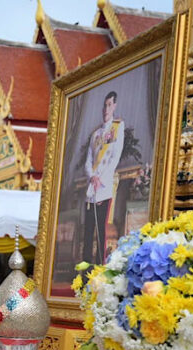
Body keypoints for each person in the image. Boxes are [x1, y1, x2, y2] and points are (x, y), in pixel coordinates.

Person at [83, 90, 124, 265]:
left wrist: (101, 180)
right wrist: (92, 177)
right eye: (104, 105)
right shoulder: (95, 134)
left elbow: (115, 157)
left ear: (114, 106)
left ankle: (100, 264)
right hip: (92, 187)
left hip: (104, 187)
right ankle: (85, 266)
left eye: (109, 105)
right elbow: (88, 161)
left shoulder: (117, 127)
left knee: (101, 230)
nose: (106, 109)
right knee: (87, 230)